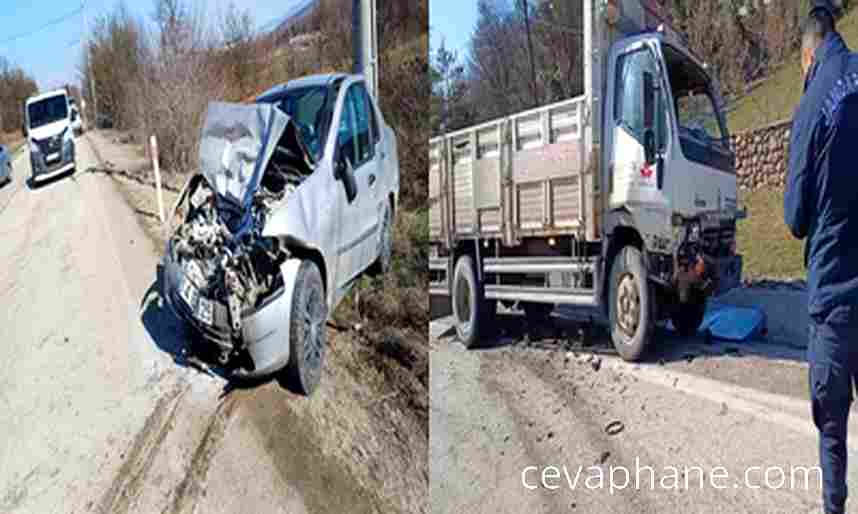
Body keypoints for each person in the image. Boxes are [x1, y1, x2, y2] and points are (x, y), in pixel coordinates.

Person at [785, 2, 858, 513]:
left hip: (835, 295)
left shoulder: (811, 106)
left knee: (832, 429)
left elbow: (793, 217)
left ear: (809, 57)